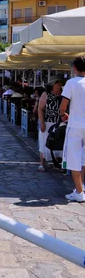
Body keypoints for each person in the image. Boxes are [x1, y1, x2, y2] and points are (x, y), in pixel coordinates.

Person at [59, 56, 85, 202]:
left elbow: (63, 104)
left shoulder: (71, 83)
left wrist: (63, 114)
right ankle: (81, 187)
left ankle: (79, 192)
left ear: (75, 68)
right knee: (83, 158)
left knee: (74, 158)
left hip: (75, 125)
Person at [37, 80, 63, 171]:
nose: (58, 88)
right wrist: (42, 122)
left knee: (59, 144)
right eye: (56, 86)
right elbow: (40, 109)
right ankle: (42, 163)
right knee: (44, 142)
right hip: (48, 121)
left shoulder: (63, 94)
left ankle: (57, 162)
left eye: (59, 86)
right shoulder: (46, 94)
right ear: (52, 86)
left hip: (59, 123)